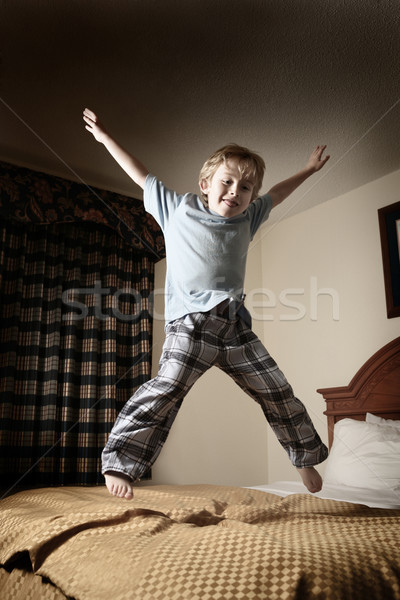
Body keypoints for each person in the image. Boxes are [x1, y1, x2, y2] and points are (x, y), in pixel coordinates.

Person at [83, 107, 330, 500]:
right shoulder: (177, 208)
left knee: (276, 388)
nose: (235, 192)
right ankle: (121, 463)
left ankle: (303, 456)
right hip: (190, 326)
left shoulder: (249, 217)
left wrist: (308, 170)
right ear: (205, 184)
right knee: (165, 389)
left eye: (245, 187)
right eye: (227, 182)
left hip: (235, 327)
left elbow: (278, 192)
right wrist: (105, 138)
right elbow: (140, 173)